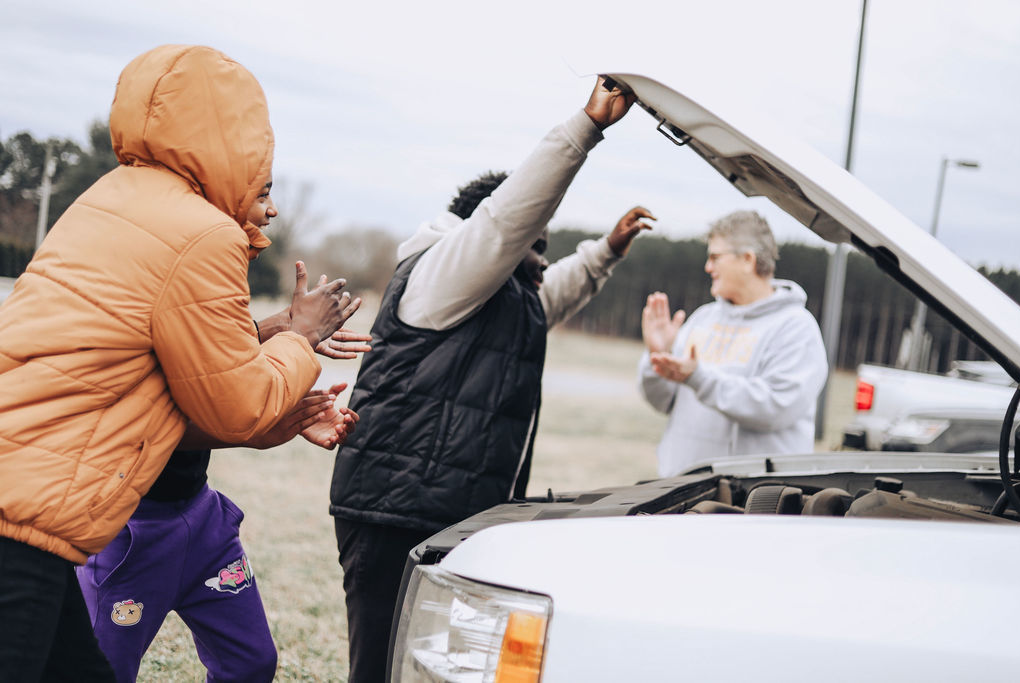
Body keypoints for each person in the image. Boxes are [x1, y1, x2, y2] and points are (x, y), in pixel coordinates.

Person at [0, 45, 352, 680]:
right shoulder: (205, 235)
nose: (269, 205)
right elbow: (236, 405)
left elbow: (144, 348)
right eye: (264, 179)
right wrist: (298, 339)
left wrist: (274, 331)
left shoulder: (111, 197)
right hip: (22, 519)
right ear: (236, 146)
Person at [328, 76, 652, 682]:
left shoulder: (508, 297)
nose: (544, 258)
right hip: (394, 509)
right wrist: (584, 131)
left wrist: (604, 251)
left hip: (449, 509)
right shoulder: (443, 269)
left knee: (433, 669)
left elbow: (547, 298)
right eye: (539, 243)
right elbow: (505, 222)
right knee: (379, 669)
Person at [75, 184, 372, 683]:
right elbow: (152, 407)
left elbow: (207, 362)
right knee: (101, 670)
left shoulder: (213, 264)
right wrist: (271, 404)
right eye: (262, 192)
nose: (272, 210)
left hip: (201, 518)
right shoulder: (153, 257)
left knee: (251, 663)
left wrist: (280, 332)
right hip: (131, 528)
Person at [638, 210, 828, 477]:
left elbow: (775, 407)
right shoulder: (703, 318)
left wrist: (699, 378)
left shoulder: (796, 328)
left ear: (747, 259)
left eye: (715, 257)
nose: (708, 267)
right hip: (679, 494)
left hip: (750, 505)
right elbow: (662, 401)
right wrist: (657, 356)